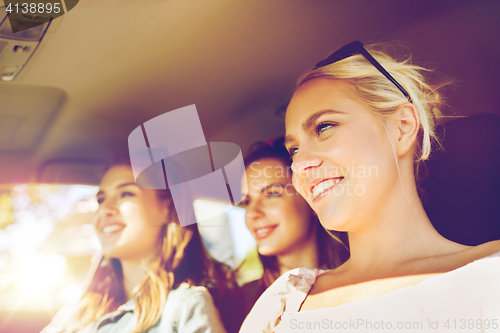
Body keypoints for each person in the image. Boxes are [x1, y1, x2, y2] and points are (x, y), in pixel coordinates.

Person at [239, 41, 500, 333]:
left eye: (324, 127)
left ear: (401, 127)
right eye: (295, 150)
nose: (300, 165)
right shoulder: (282, 302)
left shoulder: (490, 274)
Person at [42, 161, 230, 333]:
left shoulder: (185, 306)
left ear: (167, 209)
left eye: (126, 194)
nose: (105, 209)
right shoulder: (76, 313)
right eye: (101, 199)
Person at [239, 140, 349, 320]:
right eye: (247, 201)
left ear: (310, 198)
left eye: (272, 194)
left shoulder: (358, 287)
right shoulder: (235, 302)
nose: (253, 213)